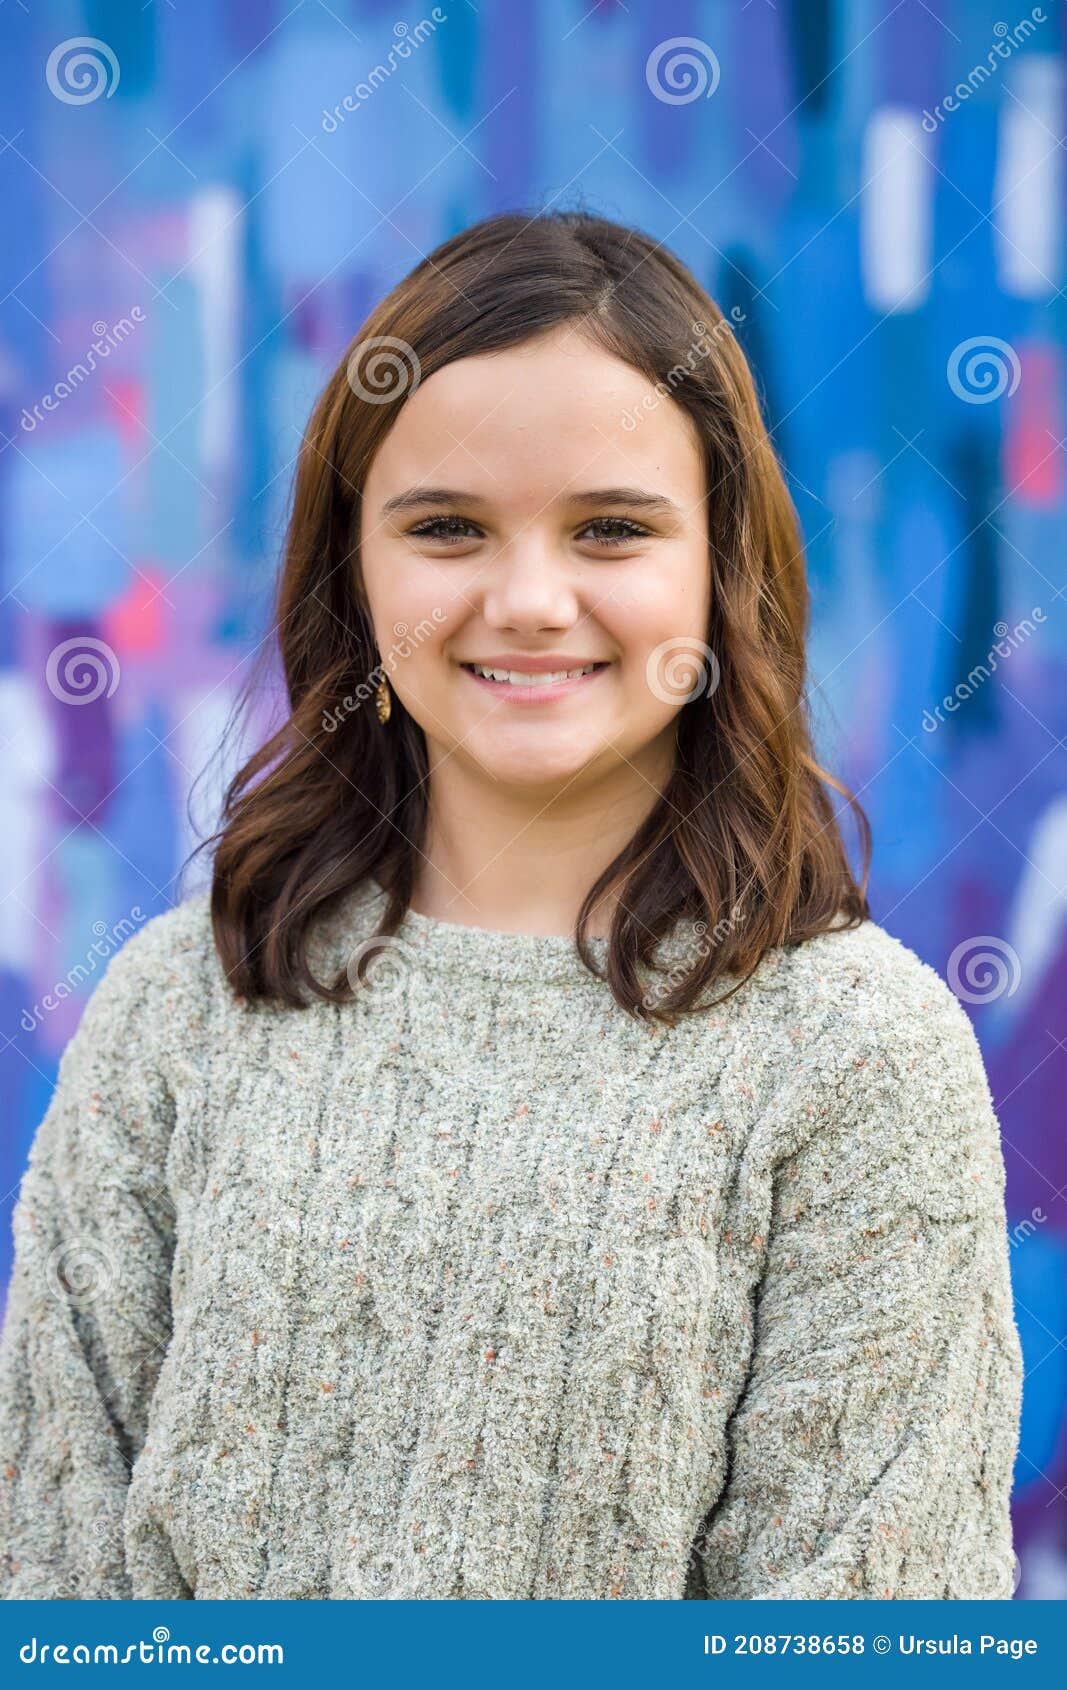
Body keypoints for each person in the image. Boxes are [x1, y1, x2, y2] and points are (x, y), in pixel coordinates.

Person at [0, 211, 1023, 1600]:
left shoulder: (857, 1053)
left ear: (718, 570)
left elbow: (859, 1621)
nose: (530, 598)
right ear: (351, 574)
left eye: (611, 528)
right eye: (448, 528)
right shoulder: (181, 1007)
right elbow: (51, 1573)